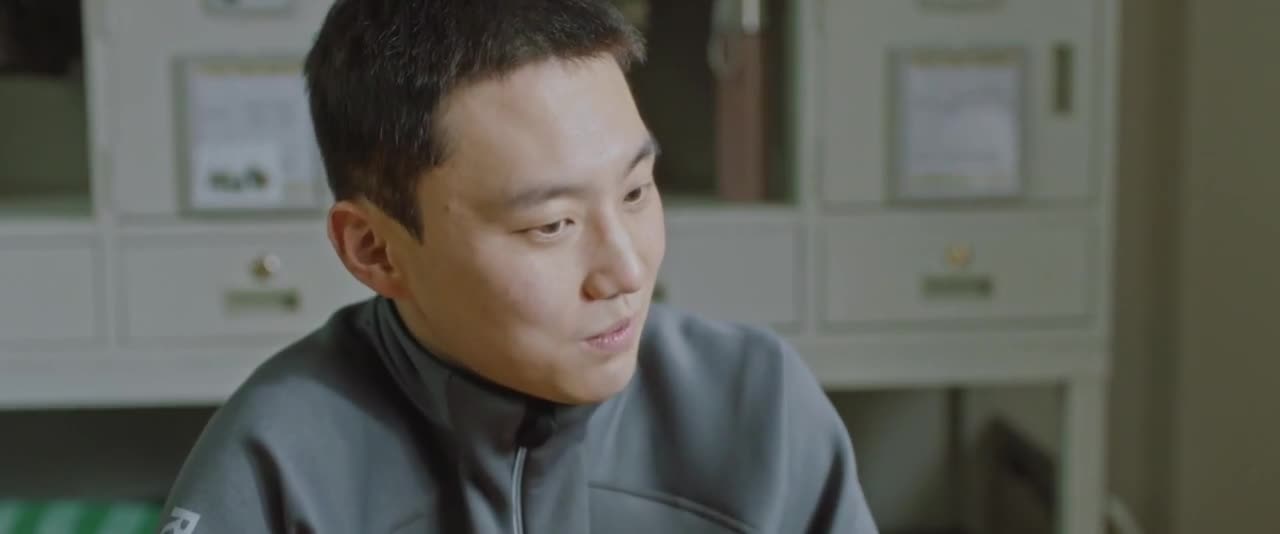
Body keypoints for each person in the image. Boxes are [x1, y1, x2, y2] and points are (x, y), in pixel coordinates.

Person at [159, 1, 879, 533]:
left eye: (636, 192)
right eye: (551, 225)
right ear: (374, 250)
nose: (627, 271)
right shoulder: (277, 465)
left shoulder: (759, 413)